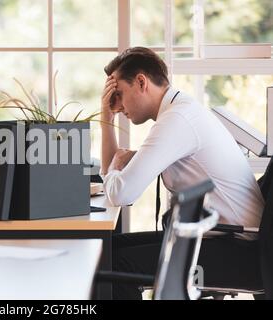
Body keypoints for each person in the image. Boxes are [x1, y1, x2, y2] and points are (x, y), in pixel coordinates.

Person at [100, 47, 265, 300]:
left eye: (118, 94)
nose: (117, 105)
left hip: (241, 251)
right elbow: (118, 181)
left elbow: (121, 193)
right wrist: (106, 115)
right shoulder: (180, 110)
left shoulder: (177, 119)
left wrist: (114, 169)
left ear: (141, 82)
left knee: (117, 262)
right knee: (108, 250)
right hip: (226, 239)